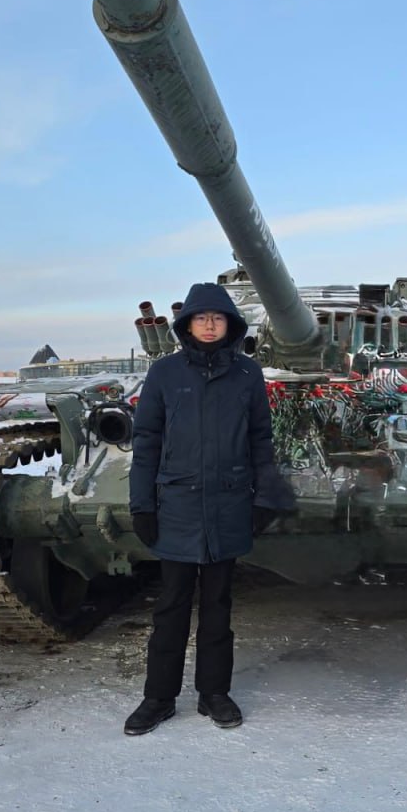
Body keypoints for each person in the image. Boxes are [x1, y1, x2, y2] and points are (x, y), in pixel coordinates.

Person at [124, 282, 293, 736]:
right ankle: (158, 699)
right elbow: (146, 443)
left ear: (230, 324)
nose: (210, 325)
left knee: (218, 606)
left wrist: (265, 496)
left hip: (228, 504)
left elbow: (261, 439)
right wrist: (142, 506)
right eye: (202, 319)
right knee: (171, 606)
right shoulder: (164, 374)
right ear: (188, 325)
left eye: (217, 318)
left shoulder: (246, 374)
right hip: (176, 505)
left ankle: (213, 693)